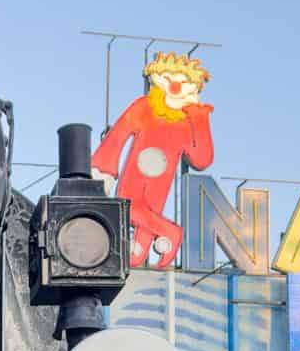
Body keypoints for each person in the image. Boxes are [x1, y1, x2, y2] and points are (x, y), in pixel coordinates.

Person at [91, 52, 214, 267]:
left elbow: (202, 159)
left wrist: (200, 118)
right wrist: (105, 167)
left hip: (160, 180)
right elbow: (119, 133)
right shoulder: (145, 106)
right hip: (136, 174)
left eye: (183, 83)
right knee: (130, 212)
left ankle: (169, 234)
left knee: (137, 217)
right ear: (156, 78)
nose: (175, 87)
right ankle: (166, 235)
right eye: (167, 79)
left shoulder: (187, 123)